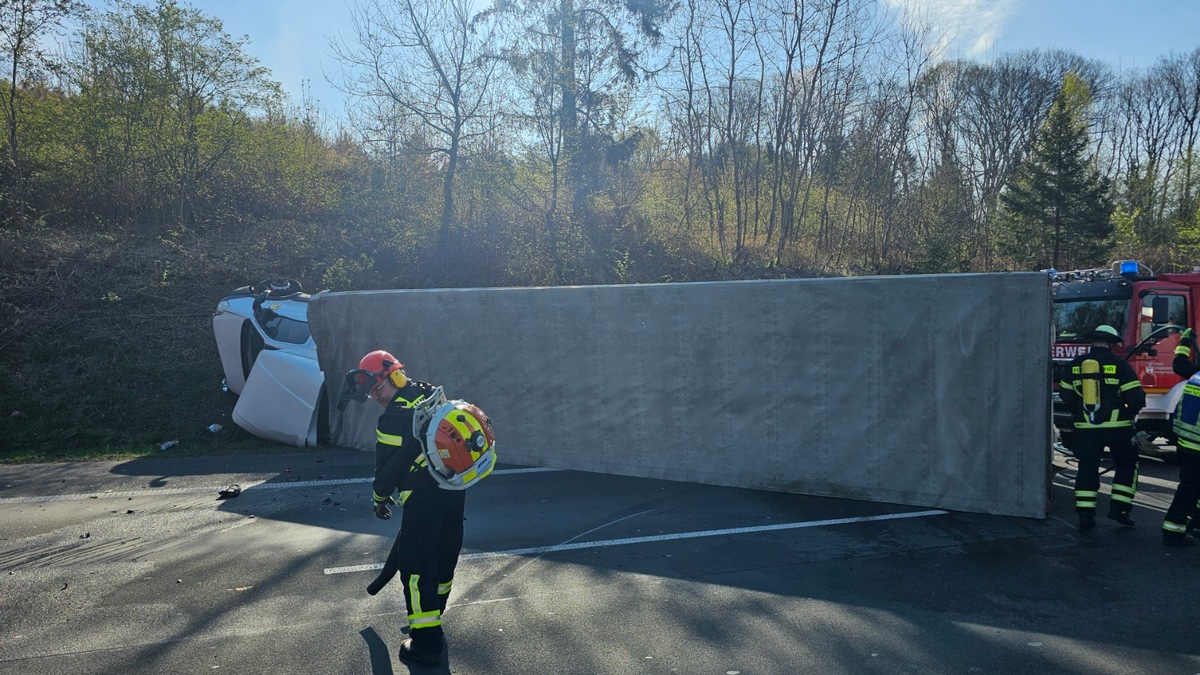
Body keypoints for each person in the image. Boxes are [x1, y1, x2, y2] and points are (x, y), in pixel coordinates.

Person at [344, 349, 466, 666]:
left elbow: (387, 468)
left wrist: (379, 499)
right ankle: (433, 617)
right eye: (371, 392)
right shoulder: (428, 392)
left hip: (423, 500)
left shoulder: (393, 418)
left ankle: (425, 644)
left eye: (379, 388)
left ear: (395, 376)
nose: (376, 396)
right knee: (443, 560)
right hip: (453, 491)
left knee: (416, 571)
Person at [1057, 325, 1146, 532]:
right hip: (1118, 428)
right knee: (1127, 463)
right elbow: (1135, 397)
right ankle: (1119, 509)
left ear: (1092, 343)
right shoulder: (1120, 365)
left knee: (1087, 467)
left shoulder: (1075, 366)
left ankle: (1085, 515)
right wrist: (1129, 411)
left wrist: (1082, 409)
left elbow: (1066, 395)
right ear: (1111, 343)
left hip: (1086, 427)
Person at [1162, 328, 1200, 546]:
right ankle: (1173, 531)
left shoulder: (1195, 374)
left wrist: (1185, 340)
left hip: (1186, 443)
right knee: (1189, 490)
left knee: (1190, 487)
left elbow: (1178, 363)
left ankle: (1194, 524)